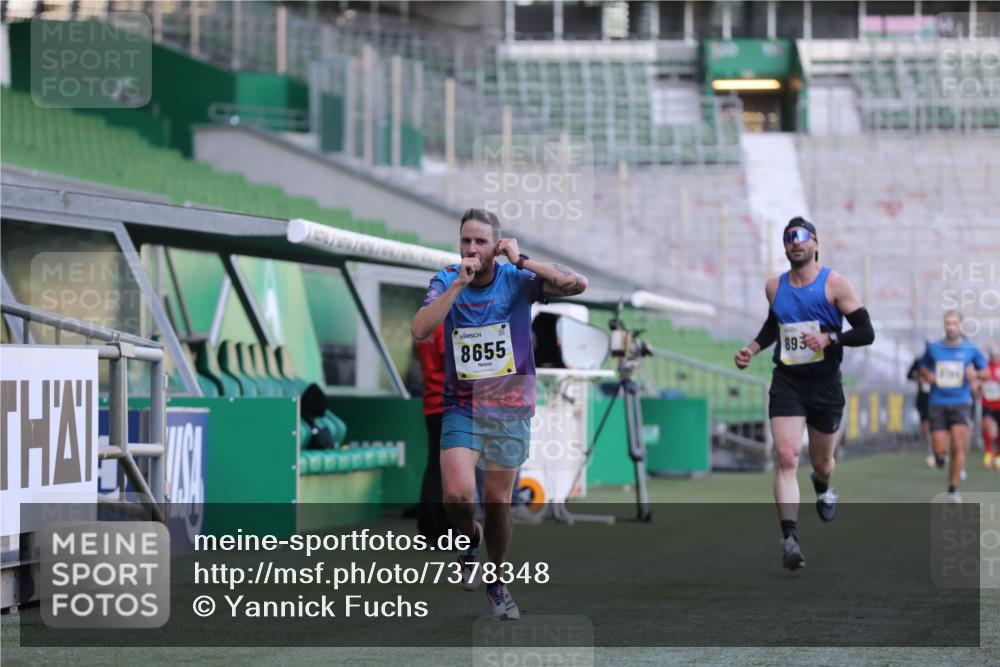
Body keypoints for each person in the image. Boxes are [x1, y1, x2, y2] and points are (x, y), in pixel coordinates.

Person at [411, 208, 587, 619]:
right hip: (462, 405)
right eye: (466, 241)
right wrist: (457, 285)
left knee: (496, 503)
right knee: (456, 496)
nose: (472, 249)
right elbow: (420, 330)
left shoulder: (518, 280)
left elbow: (577, 284)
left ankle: (496, 580)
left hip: (509, 407)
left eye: (481, 241)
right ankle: (468, 541)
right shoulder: (445, 278)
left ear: (498, 244)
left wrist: (522, 260)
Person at [734, 217, 874, 571]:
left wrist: (832, 338)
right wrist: (752, 348)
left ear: (814, 244)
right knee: (786, 455)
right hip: (788, 382)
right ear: (785, 248)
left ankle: (823, 484)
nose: (794, 243)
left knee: (822, 461)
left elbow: (866, 331)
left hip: (825, 384)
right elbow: (774, 324)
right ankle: (789, 538)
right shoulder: (773, 287)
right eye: (788, 238)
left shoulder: (835, 284)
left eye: (801, 237)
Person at [919, 312, 988, 501]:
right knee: (941, 454)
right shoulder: (934, 347)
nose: (951, 327)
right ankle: (941, 458)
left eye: (954, 323)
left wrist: (976, 375)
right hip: (937, 403)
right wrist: (927, 375)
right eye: (947, 323)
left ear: (961, 325)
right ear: (944, 325)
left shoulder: (970, 349)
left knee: (958, 445)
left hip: (961, 402)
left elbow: (986, 372)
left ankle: (953, 489)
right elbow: (922, 367)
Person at [906, 354, 934, 468]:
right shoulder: (919, 361)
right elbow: (909, 375)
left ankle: (939, 447)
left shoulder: (939, 360)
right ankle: (930, 445)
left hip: (937, 397)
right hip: (922, 398)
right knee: (925, 421)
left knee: (938, 423)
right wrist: (918, 378)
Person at [982, 347, 1000, 471]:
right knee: (987, 426)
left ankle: (998, 456)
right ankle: (988, 452)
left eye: (996, 355)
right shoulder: (985, 368)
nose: (994, 357)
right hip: (987, 404)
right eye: (992, 355)